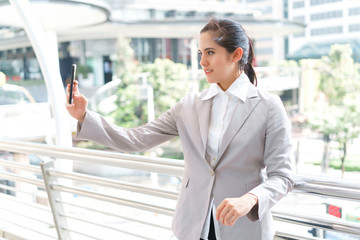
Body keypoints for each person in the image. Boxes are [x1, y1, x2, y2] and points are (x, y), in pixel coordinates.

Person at [66, 18, 294, 240]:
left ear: (236, 55)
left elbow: (282, 176)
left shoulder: (268, 106)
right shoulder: (189, 105)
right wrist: (84, 116)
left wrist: (251, 198)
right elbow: (135, 139)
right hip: (194, 226)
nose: (203, 62)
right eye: (200, 53)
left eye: (210, 52)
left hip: (244, 228)